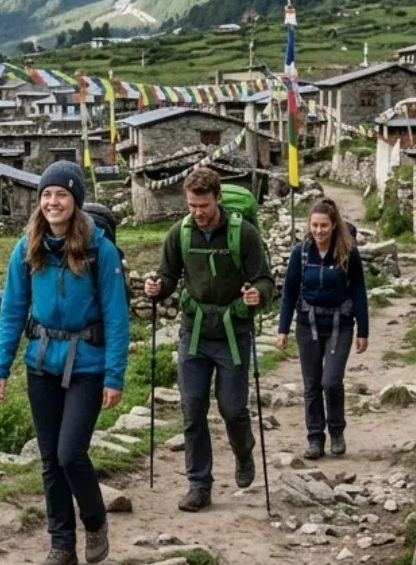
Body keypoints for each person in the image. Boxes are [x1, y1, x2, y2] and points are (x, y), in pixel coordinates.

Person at [0, 161, 131, 565]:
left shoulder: (100, 250)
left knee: (70, 454)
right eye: (47, 195)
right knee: (50, 459)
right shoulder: (27, 247)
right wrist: (0, 366)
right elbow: (12, 310)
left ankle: (95, 520)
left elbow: (117, 316)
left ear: (76, 201)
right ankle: (61, 544)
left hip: (88, 364)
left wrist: (114, 375)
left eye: (62, 195)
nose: (53, 202)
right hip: (41, 363)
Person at [144, 166, 274, 512]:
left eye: (203, 206)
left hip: (233, 332)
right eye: (192, 206)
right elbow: (168, 276)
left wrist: (257, 295)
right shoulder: (180, 233)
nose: (198, 213)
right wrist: (157, 287)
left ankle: (243, 451)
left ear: (218, 199)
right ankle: (199, 485)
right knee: (192, 409)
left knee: (232, 408)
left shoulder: (243, 234)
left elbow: (264, 279)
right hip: (195, 332)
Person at [277, 197, 369, 460]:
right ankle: (315, 438)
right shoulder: (301, 253)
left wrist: (363, 331)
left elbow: (359, 291)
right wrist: (283, 329)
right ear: (309, 225)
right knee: (311, 384)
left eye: (324, 226)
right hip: (308, 324)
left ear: (334, 225)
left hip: (340, 324)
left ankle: (337, 432)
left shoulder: (348, 253)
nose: (319, 231)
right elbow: (289, 292)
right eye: (315, 225)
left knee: (331, 381)